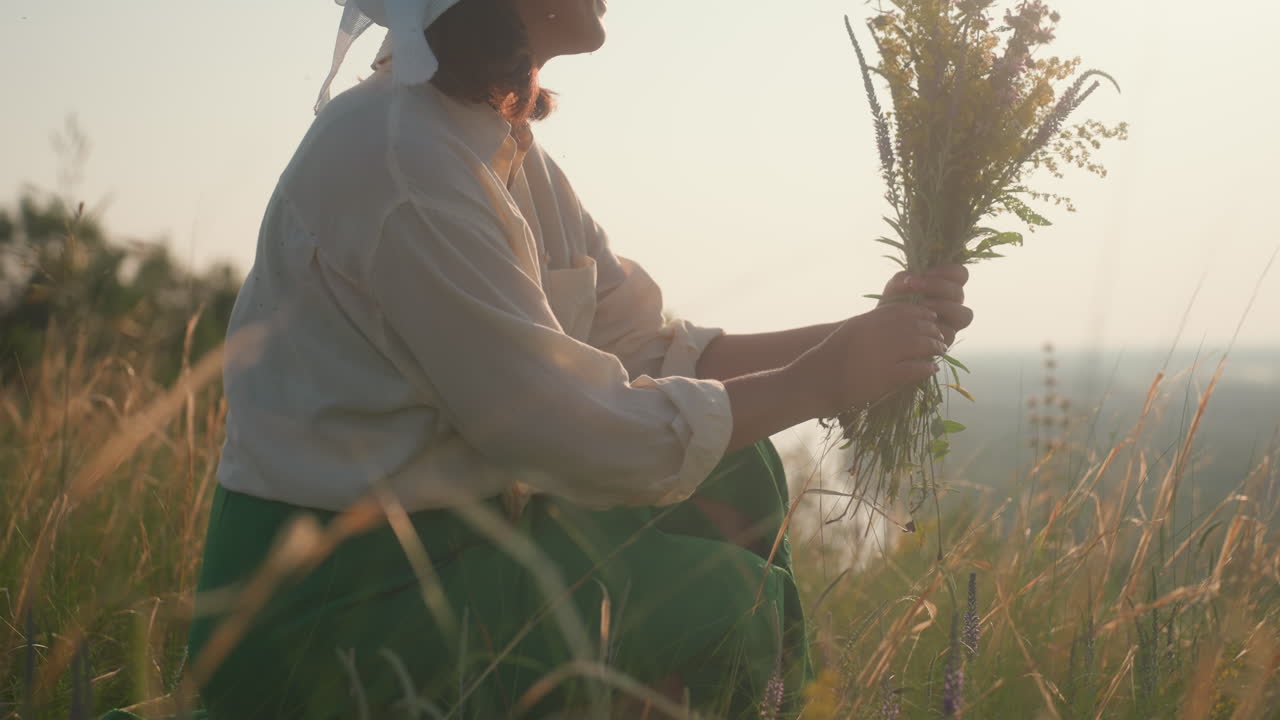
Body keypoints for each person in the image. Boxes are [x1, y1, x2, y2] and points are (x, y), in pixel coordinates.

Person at [182, 0, 975, 718]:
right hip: (333, 613)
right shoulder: (397, 158)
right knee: (732, 606)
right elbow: (564, 429)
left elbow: (643, 347)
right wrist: (828, 378)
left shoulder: (494, 146)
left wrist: (870, 334)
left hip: (461, 554)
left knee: (742, 469)